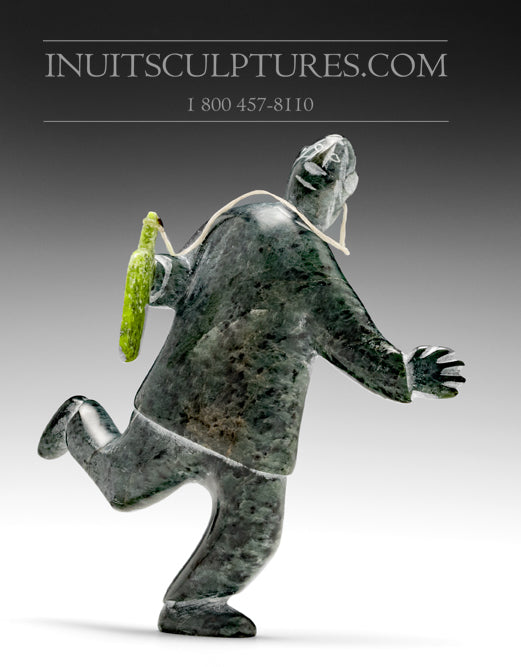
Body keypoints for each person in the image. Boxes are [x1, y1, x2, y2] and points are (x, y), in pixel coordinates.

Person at [38, 134, 465, 638]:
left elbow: (186, 278)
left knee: (194, 512)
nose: (321, 167)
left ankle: (187, 599)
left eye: (324, 166)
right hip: (218, 420)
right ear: (340, 190)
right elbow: (351, 341)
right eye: (321, 163)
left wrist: (159, 277)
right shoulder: (281, 247)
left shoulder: (254, 226)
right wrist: (407, 374)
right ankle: (82, 426)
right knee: (188, 511)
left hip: (214, 419)